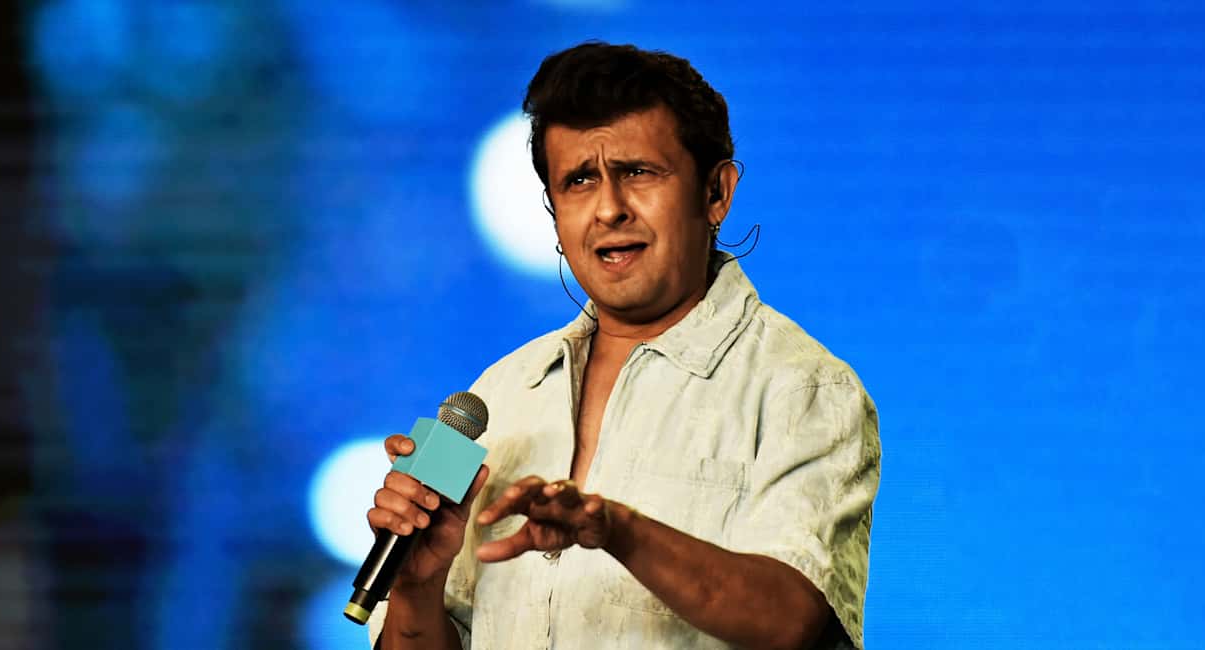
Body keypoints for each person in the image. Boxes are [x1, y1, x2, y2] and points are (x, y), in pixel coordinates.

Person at [365, 42, 880, 650]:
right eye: (579, 181)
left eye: (637, 172)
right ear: (555, 214)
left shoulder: (803, 388)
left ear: (716, 193)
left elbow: (792, 621)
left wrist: (617, 531)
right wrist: (417, 586)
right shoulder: (501, 393)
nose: (609, 209)